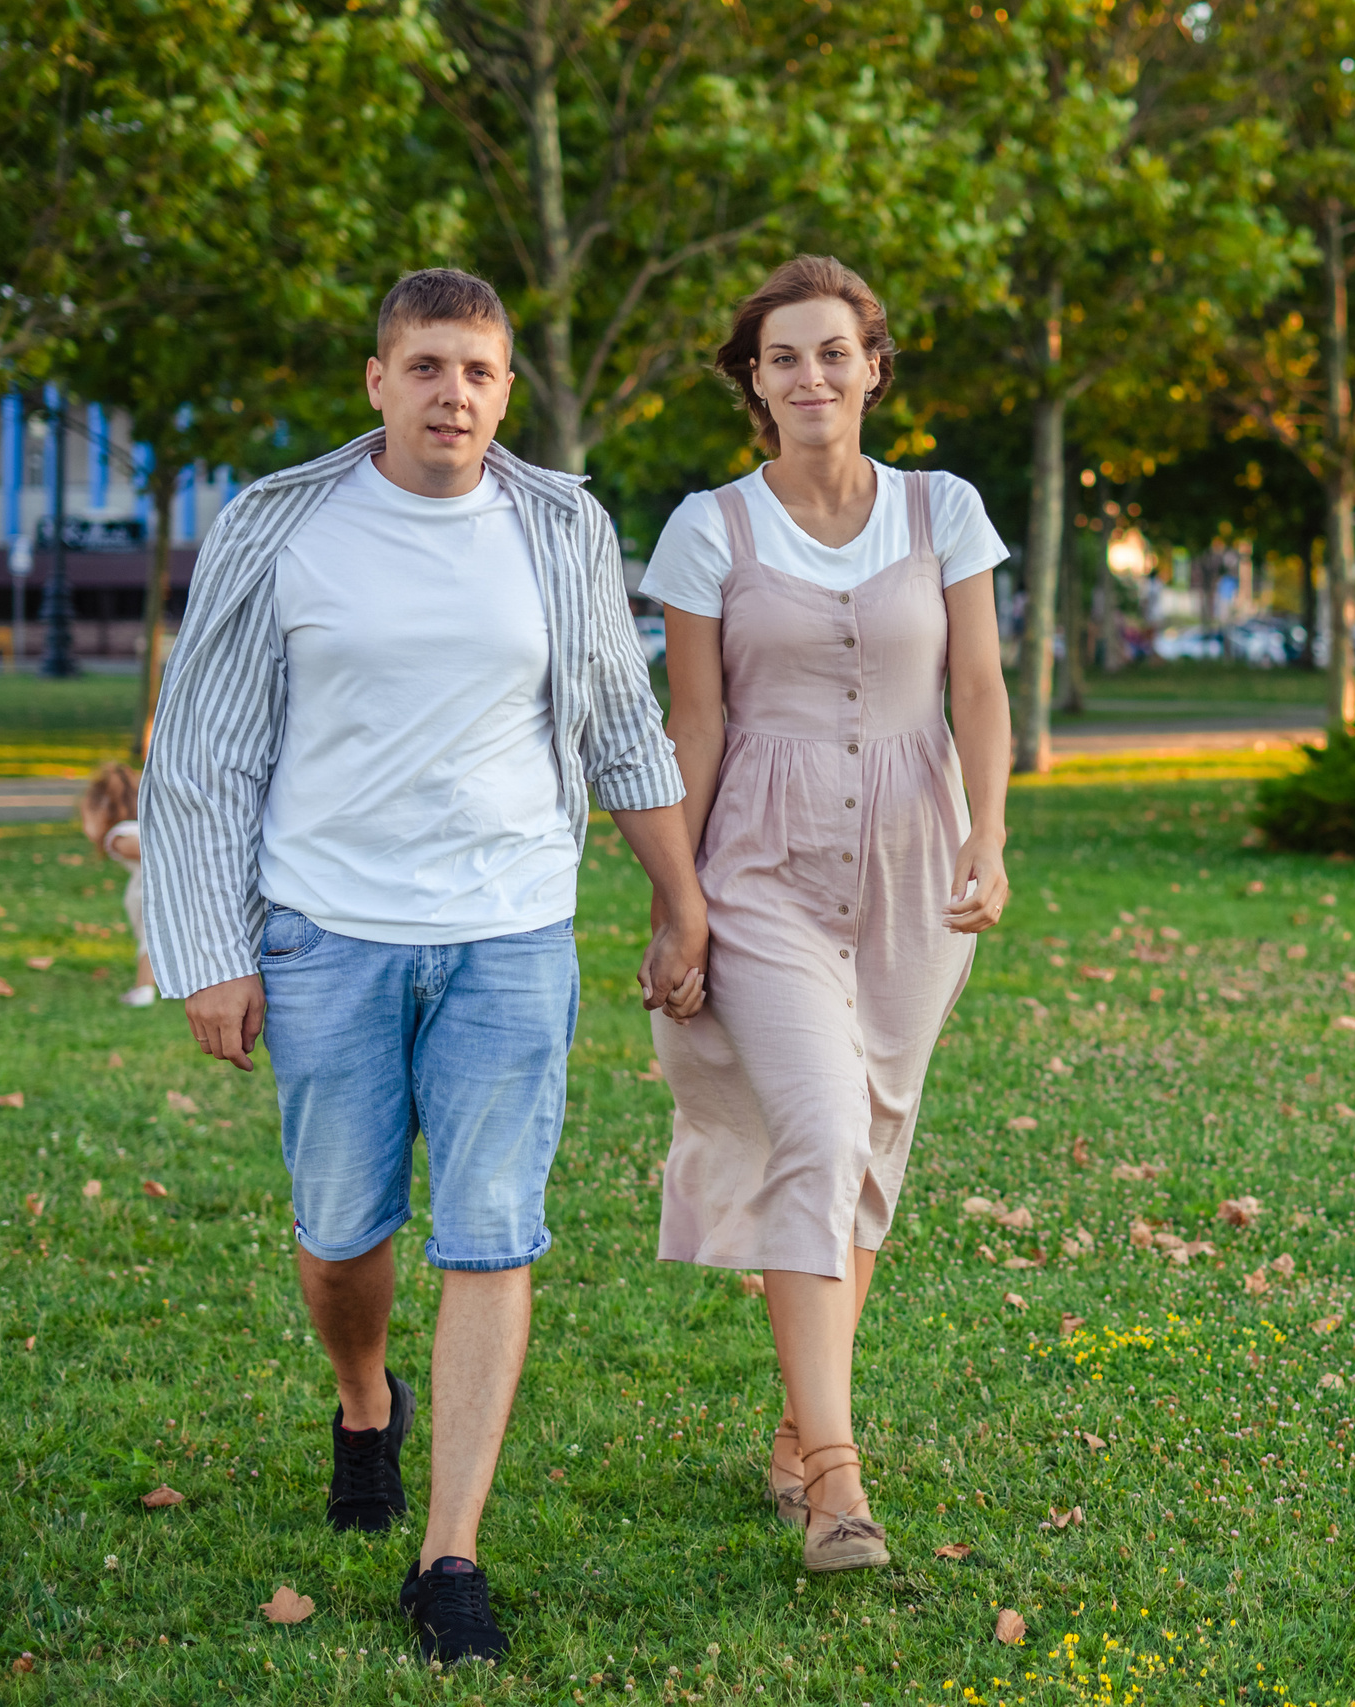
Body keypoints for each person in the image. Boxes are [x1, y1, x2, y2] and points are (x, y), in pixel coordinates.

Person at [140, 268, 708, 1664]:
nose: (455, 392)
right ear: (378, 379)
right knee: (341, 1230)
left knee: (492, 1227)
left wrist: (679, 901)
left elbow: (621, 724)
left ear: (508, 390)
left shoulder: (560, 523)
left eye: (481, 371)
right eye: (430, 366)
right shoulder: (285, 525)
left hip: (510, 927)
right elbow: (201, 753)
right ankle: (358, 1398)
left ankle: (450, 1551)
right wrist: (208, 949)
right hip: (326, 926)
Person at [640, 255, 1013, 1573]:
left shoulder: (944, 508)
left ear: (873, 366)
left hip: (919, 869)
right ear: (755, 380)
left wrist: (993, 834)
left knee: (869, 1161)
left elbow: (976, 685)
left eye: (834, 351)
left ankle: (802, 1428)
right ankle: (838, 1483)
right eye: (784, 356)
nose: (812, 375)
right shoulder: (707, 528)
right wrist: (677, 899)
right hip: (762, 866)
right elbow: (695, 721)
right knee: (817, 1126)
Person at [76, 762, 157, 1006]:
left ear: (100, 811)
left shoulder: (117, 838)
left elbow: (152, 851)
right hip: (154, 887)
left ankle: (144, 991)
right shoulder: (137, 826)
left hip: (152, 893)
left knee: (150, 940)